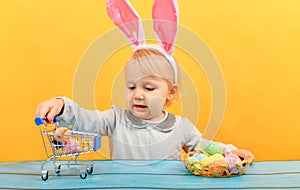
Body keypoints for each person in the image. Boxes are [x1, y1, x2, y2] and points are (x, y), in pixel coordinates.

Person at [36, 48, 237, 160]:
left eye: (148, 88)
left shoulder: (182, 128)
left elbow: (204, 147)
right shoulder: (115, 119)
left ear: (171, 92)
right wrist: (61, 105)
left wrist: (230, 152)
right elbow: (86, 119)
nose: (137, 95)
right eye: (131, 87)